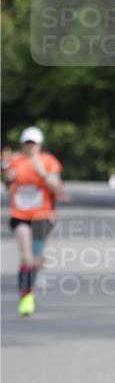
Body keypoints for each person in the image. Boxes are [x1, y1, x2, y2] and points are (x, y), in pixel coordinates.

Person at [2, 127, 63, 316]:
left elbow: (57, 189)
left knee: (37, 258)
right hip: (20, 215)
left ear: (40, 145)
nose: (30, 146)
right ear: (22, 144)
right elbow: (7, 185)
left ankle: (34, 277)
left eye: (33, 143)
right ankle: (26, 297)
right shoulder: (15, 161)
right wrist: (7, 177)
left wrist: (42, 173)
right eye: (27, 143)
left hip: (41, 217)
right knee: (26, 257)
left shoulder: (48, 161)